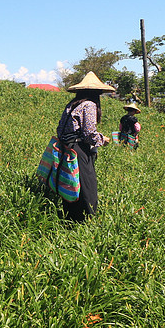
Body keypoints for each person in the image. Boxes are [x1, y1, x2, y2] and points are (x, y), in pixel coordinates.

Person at [56, 72, 114, 222]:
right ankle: (87, 220)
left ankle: (70, 219)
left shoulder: (73, 104)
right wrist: (103, 139)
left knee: (71, 183)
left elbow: (60, 129)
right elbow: (89, 134)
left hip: (67, 147)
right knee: (88, 186)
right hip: (79, 149)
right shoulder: (89, 105)